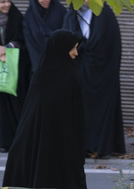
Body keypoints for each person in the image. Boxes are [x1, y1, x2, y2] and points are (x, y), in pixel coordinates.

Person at [2, 29, 87, 189]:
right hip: (57, 141)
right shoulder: (58, 75)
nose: (76, 53)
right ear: (61, 49)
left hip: (61, 140)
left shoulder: (50, 74)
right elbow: (31, 114)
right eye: (73, 48)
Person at [63, 0, 126, 158]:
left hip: (102, 72)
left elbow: (110, 44)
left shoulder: (104, 14)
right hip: (79, 71)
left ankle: (102, 146)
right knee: (80, 109)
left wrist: (86, 48)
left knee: (101, 109)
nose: (84, 0)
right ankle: (83, 147)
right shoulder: (71, 15)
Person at [0, 0, 31, 153]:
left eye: (8, 1)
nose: (6, 5)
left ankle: (17, 139)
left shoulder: (17, 17)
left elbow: (24, 39)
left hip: (15, 70)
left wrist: (7, 48)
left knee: (15, 104)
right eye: (2, 2)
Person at [23, 0, 66, 73]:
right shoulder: (29, 18)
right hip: (38, 63)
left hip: (59, 61)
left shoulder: (60, 11)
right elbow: (30, 43)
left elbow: (67, 33)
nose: (47, 0)